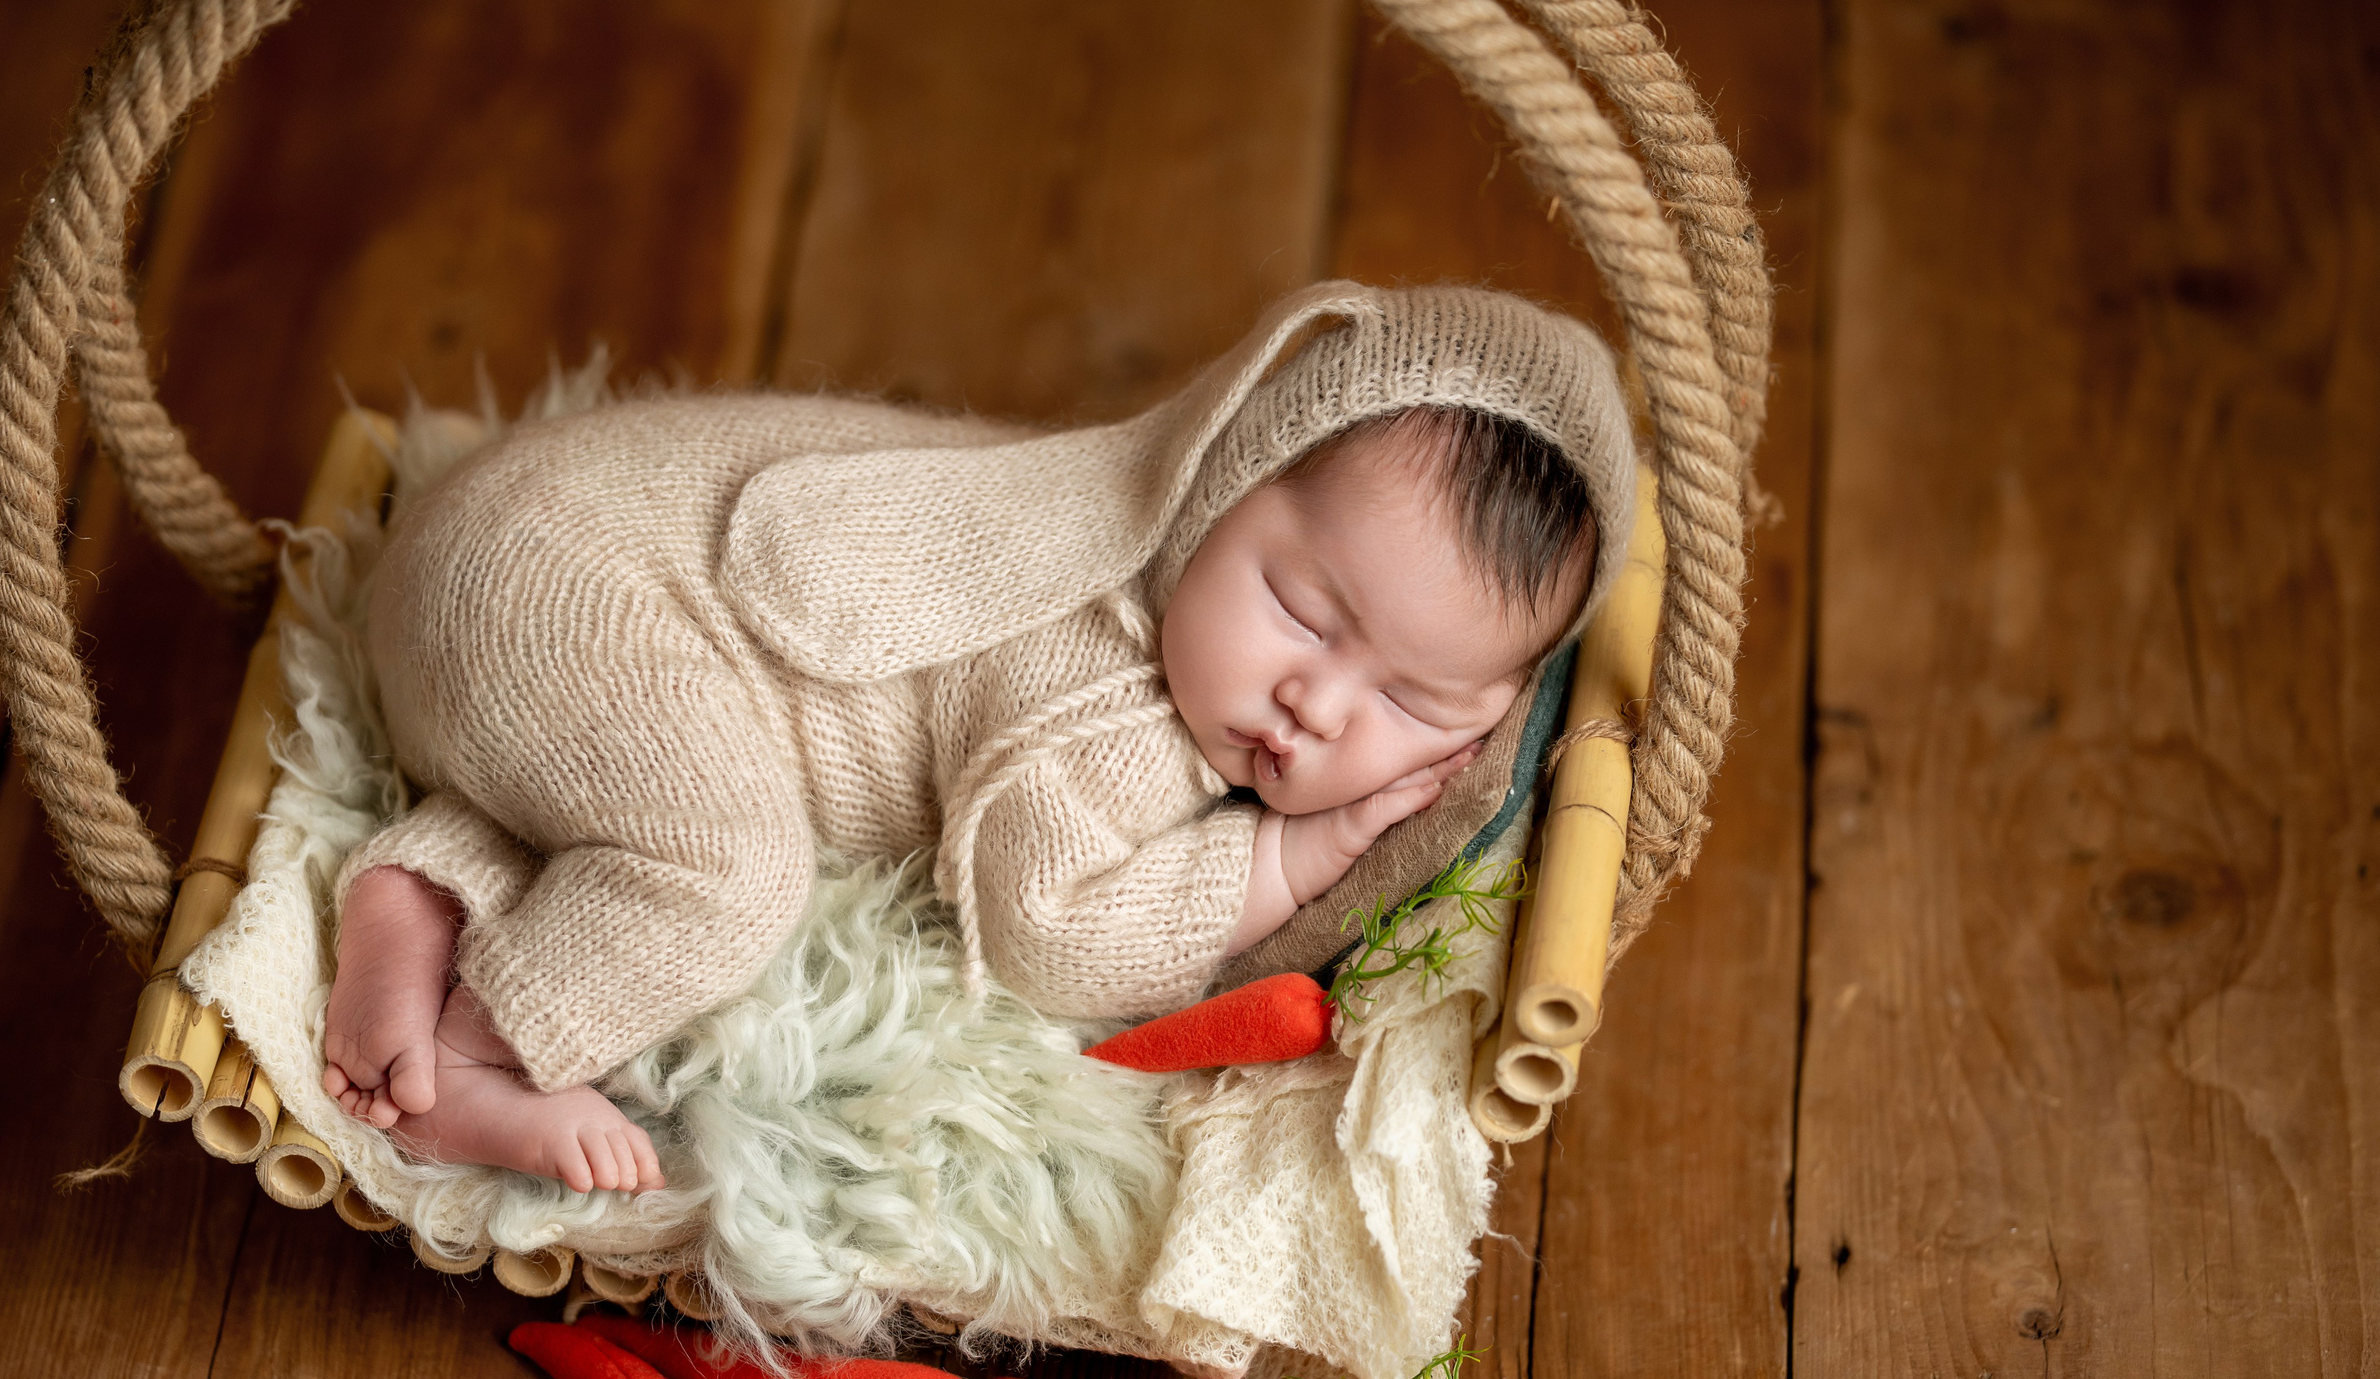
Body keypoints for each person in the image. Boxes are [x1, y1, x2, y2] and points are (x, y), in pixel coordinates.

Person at [319, 281, 1637, 1193]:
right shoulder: (1100, 692)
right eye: (1299, 609)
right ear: (1223, 478)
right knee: (725, 869)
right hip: (558, 583)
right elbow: (1044, 937)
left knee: (638, 785)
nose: (1320, 705)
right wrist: (1295, 857)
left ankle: (422, 892)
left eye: (1413, 707)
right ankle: (477, 1059)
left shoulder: (1101, 513)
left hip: (504, 581)